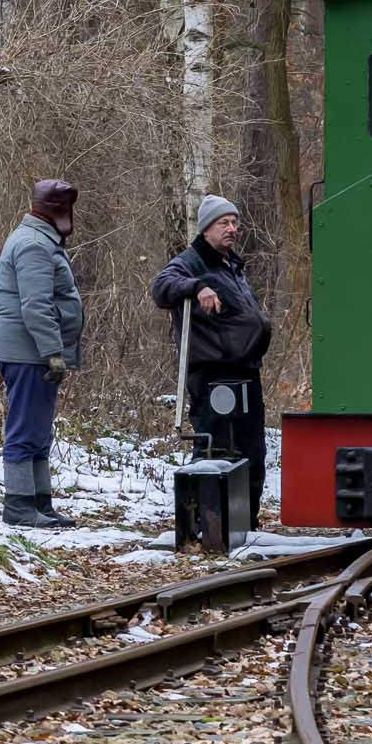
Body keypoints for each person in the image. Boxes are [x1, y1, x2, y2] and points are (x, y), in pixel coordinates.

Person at [152, 195, 273, 516]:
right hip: (212, 375)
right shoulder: (193, 261)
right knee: (214, 447)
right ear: (207, 228)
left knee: (251, 450)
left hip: (244, 371)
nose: (232, 228)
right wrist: (196, 287)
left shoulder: (232, 265)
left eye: (235, 222)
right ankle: (205, 521)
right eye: (224, 223)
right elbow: (162, 286)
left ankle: (245, 521)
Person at [0, 178, 85, 528]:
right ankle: (19, 506)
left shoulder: (41, 240)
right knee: (25, 430)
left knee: (39, 432)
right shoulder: (33, 245)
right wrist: (53, 352)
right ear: (56, 209)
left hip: (34, 352)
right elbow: (35, 305)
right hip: (28, 353)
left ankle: (39, 504)